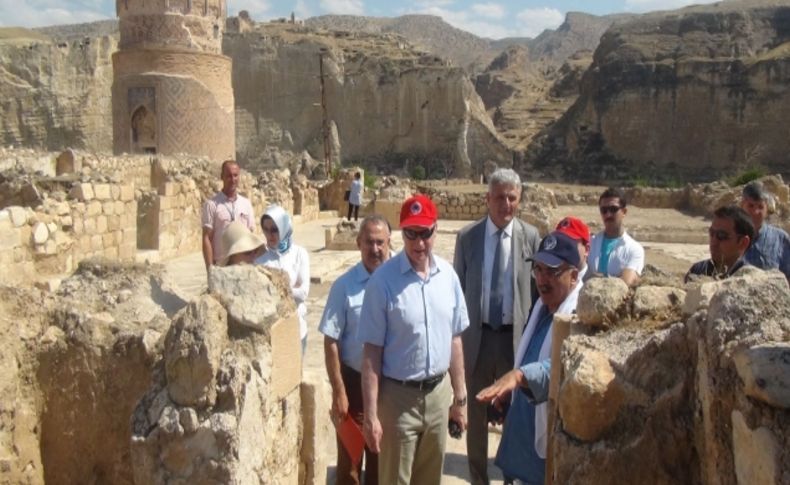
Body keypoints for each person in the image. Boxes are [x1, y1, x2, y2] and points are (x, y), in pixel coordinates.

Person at [360, 194, 469, 485]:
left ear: (436, 229)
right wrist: (370, 415)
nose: (419, 243)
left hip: (438, 396)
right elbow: (371, 353)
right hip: (398, 401)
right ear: (401, 232)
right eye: (411, 234)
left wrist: (460, 399)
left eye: (425, 234)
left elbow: (455, 339)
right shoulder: (382, 283)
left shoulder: (448, 277)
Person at [453, 168, 540, 485]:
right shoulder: (467, 238)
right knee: (476, 418)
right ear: (487, 199)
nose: (506, 204)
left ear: (519, 200)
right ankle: (478, 478)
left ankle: (509, 478)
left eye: (512, 198)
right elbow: (458, 293)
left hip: (513, 341)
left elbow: (536, 293)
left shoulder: (530, 237)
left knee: (514, 416)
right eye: (500, 197)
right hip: (478, 339)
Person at [477, 231, 582, 485]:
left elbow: (562, 367)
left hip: (543, 460)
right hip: (519, 447)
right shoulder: (541, 308)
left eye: (552, 272)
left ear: (574, 276)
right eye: (538, 270)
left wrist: (520, 376)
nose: (542, 280)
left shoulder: (579, 316)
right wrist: (509, 395)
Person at [318, 215, 392, 485]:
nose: (375, 249)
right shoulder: (343, 287)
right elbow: (330, 341)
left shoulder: (399, 283)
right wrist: (339, 391)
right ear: (359, 243)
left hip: (388, 388)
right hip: (353, 387)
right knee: (350, 466)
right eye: (369, 242)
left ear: (389, 243)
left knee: (381, 463)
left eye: (380, 243)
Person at [255, 204, 310, 352]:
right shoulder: (260, 260)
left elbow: (303, 293)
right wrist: (290, 289)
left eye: (274, 229)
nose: (270, 235)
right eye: (265, 230)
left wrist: (275, 289)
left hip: (297, 329)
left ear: (283, 227)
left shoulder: (300, 254)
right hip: (272, 332)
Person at [201, 160, 255, 270]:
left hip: (243, 264)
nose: (233, 179)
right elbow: (207, 238)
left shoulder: (246, 204)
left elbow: (251, 233)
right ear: (222, 177)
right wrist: (210, 269)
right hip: (221, 265)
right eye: (229, 176)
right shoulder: (212, 205)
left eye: (235, 175)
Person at [587, 187, 644, 286]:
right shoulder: (590, 243)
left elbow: (626, 283)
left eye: (613, 209)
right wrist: (615, 278)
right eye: (604, 210)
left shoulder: (634, 249)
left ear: (624, 212)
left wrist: (594, 278)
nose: (608, 214)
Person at [685, 206, 754, 282]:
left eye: (722, 236)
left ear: (743, 242)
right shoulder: (697, 270)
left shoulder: (749, 279)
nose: (714, 242)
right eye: (712, 233)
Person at [740, 182, 790, 279]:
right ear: (742, 206)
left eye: (760, 207)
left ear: (767, 209)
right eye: (750, 206)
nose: (755, 212)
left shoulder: (780, 239)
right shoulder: (727, 236)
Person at [555, 216, 591, 282]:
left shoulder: (596, 283)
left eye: (570, 244)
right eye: (559, 242)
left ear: (586, 249)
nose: (563, 249)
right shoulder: (550, 280)